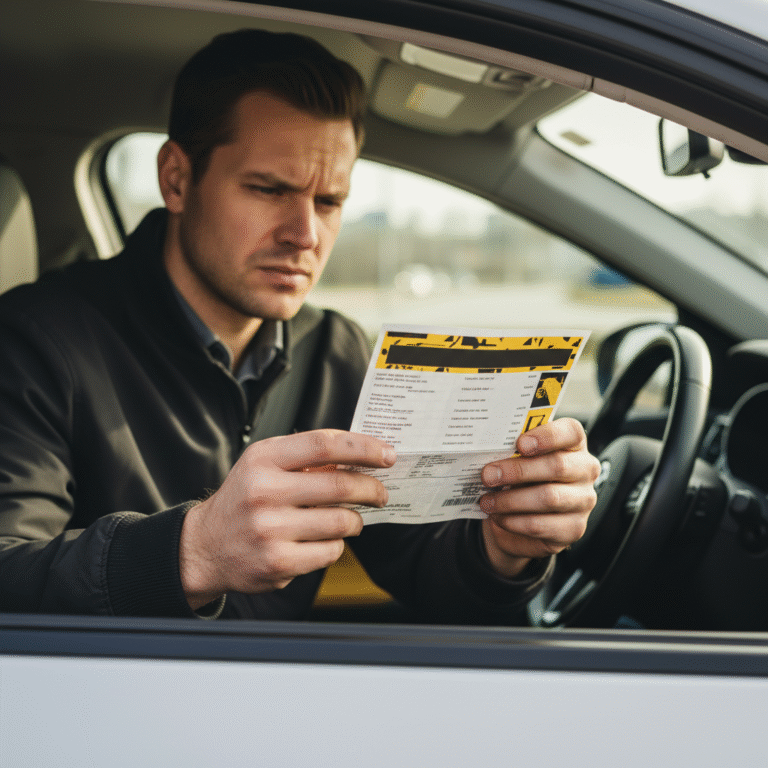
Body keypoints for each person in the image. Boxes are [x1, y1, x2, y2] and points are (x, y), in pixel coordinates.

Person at [0, 29, 600, 621]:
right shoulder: (34, 341)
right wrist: (192, 552)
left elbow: (415, 566)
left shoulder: (334, 349)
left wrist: (503, 549)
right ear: (176, 180)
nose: (305, 235)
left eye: (330, 201)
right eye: (268, 189)